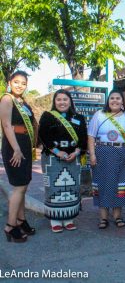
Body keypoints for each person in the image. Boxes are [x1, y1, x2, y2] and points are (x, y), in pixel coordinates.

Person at [88, 89, 125, 229]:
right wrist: (92, 154)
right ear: (108, 101)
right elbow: (91, 136)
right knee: (103, 184)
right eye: (112, 98)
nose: (115, 101)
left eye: (118, 98)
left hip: (123, 154)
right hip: (102, 154)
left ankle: (117, 216)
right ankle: (103, 217)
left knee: (119, 184)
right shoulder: (99, 115)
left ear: (122, 101)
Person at [38, 89, 87, 232]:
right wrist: (58, 152)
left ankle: (69, 218)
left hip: (73, 158)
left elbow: (83, 138)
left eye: (65, 99)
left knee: (71, 187)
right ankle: (55, 219)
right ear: (54, 102)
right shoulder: (48, 116)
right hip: (52, 158)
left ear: (70, 101)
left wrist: (77, 151)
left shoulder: (79, 117)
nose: (62, 102)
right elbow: (43, 136)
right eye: (58, 99)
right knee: (54, 187)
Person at [1, 71, 37, 243]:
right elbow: (7, 125)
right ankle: (10, 225)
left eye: (23, 83)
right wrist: (16, 148)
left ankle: (21, 220)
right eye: (16, 82)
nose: (20, 85)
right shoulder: (7, 99)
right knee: (19, 186)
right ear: (10, 82)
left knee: (24, 184)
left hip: (24, 144)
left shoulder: (23, 102)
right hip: (13, 144)